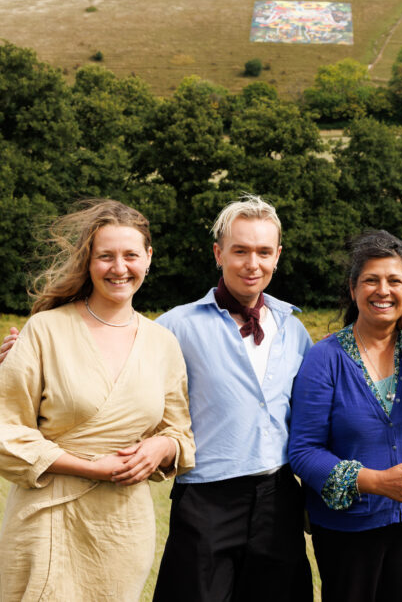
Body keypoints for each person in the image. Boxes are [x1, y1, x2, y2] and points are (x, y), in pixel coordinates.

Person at [0, 199, 195, 601]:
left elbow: (178, 431)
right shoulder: (44, 331)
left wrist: (161, 447)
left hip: (122, 528)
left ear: (148, 259)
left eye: (131, 255)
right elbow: (1, 430)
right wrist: (90, 467)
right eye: (105, 256)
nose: (119, 268)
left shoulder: (163, 343)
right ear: (88, 261)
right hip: (47, 517)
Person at [150, 194, 314, 602]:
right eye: (240, 250)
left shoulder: (294, 330)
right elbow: (115, 376)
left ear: (277, 256)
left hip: (279, 497)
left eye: (263, 252)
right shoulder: (174, 326)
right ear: (218, 253)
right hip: (206, 498)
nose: (251, 263)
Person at [288, 230, 402, 602]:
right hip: (348, 526)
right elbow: (304, 451)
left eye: (395, 281)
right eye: (371, 280)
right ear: (353, 289)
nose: (383, 290)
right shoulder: (325, 358)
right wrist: (375, 481)